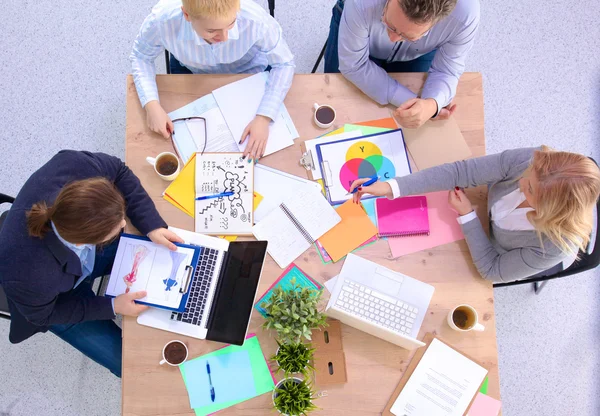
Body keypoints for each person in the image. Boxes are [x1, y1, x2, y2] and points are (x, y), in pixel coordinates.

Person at [0, 150, 184, 377]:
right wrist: (113, 307)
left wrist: (152, 225)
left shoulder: (72, 165)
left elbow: (119, 170)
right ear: (86, 240)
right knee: (131, 365)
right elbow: (42, 316)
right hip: (58, 301)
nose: (124, 222)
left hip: (76, 262)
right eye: (116, 225)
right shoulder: (31, 277)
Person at [350, 147, 600, 283]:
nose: (522, 180)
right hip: (473, 216)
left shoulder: (554, 247)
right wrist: (392, 187)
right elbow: (461, 171)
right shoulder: (532, 162)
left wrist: (468, 216)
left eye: (530, 189)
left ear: (550, 210)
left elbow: (492, 269)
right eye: (529, 174)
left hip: (483, 249)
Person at [130, 0, 295, 162]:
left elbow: (284, 63)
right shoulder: (162, 20)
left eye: (231, 24)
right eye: (212, 30)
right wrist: (151, 105)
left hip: (248, 73)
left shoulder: (255, 19)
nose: (224, 38)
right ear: (187, 15)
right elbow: (141, 56)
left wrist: (264, 117)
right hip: (194, 73)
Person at [324, 0, 479, 128]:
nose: (391, 38)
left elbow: (448, 70)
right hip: (359, 28)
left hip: (418, 54)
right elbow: (353, 65)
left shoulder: (465, 16)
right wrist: (408, 101)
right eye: (388, 22)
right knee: (333, 95)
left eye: (407, 36)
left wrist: (431, 105)